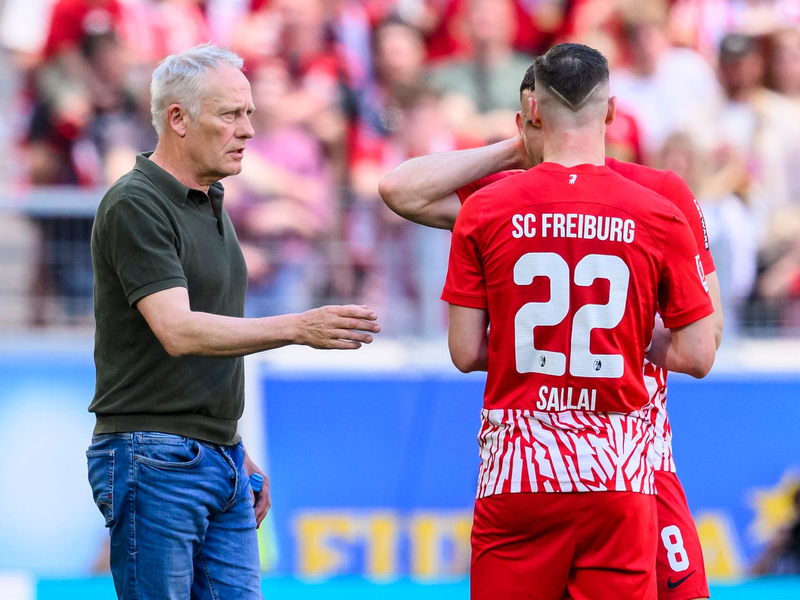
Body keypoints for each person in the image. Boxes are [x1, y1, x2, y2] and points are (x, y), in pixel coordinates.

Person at [381, 61, 724, 600]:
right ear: (608, 111)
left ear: (533, 112)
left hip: (538, 460)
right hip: (622, 458)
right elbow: (704, 341)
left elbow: (464, 348)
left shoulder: (495, 204)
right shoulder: (655, 203)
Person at [87, 44, 380, 600]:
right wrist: (299, 327)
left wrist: (232, 446)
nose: (247, 130)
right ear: (178, 118)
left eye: (248, 113)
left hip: (212, 456)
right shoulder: (135, 202)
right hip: (154, 457)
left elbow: (204, 338)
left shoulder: (211, 199)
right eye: (230, 114)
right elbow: (180, 331)